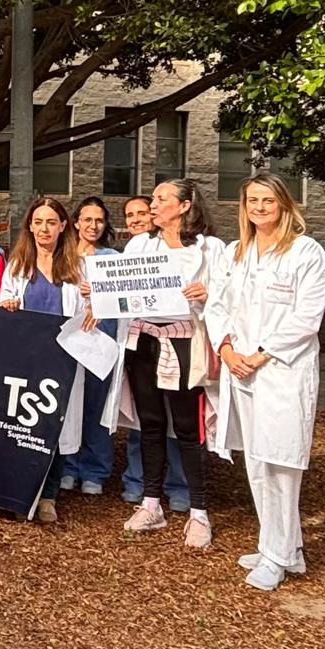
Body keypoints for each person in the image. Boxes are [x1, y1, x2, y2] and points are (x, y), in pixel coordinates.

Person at [207, 174, 325, 591]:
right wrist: (227, 351)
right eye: (252, 201)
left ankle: (277, 556)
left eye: (268, 200)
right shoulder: (235, 252)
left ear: (284, 203)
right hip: (239, 367)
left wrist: (260, 354)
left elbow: (306, 318)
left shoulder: (304, 252)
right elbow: (216, 304)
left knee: (281, 464)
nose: (259, 207)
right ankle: (282, 547)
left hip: (280, 371)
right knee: (257, 461)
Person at [102, 178, 224, 548]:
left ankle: (199, 512)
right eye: (152, 199)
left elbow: (229, 293)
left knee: (188, 427)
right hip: (144, 343)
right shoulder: (140, 244)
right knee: (149, 423)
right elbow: (121, 290)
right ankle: (151, 502)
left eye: (161, 199)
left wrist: (209, 292)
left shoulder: (210, 249)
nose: (153, 205)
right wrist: (101, 290)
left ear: (185, 205)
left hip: (184, 342)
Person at [0, 198, 90, 524]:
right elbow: (3, 305)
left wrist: (92, 303)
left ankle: (48, 497)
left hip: (63, 360)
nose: (44, 228)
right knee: (23, 426)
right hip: (26, 359)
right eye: (38, 222)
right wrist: (8, 305)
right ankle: (19, 493)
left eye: (51, 222)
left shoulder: (78, 267)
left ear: (63, 226)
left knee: (55, 428)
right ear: (30, 226)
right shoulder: (18, 265)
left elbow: (89, 316)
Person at [117, 194, 188, 508]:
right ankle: (142, 484)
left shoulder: (191, 247)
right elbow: (120, 296)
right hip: (140, 343)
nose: (135, 219)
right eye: (129, 214)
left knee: (178, 420)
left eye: (142, 212)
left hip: (176, 341)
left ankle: (180, 487)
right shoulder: (132, 250)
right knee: (144, 419)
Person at [64, 196, 119, 494]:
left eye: (99, 220)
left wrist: (100, 292)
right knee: (70, 404)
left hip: (101, 337)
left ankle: (94, 471)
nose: (93, 226)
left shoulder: (112, 257)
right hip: (70, 338)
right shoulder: (63, 255)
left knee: (96, 405)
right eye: (87, 220)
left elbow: (124, 298)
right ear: (75, 223)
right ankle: (68, 466)